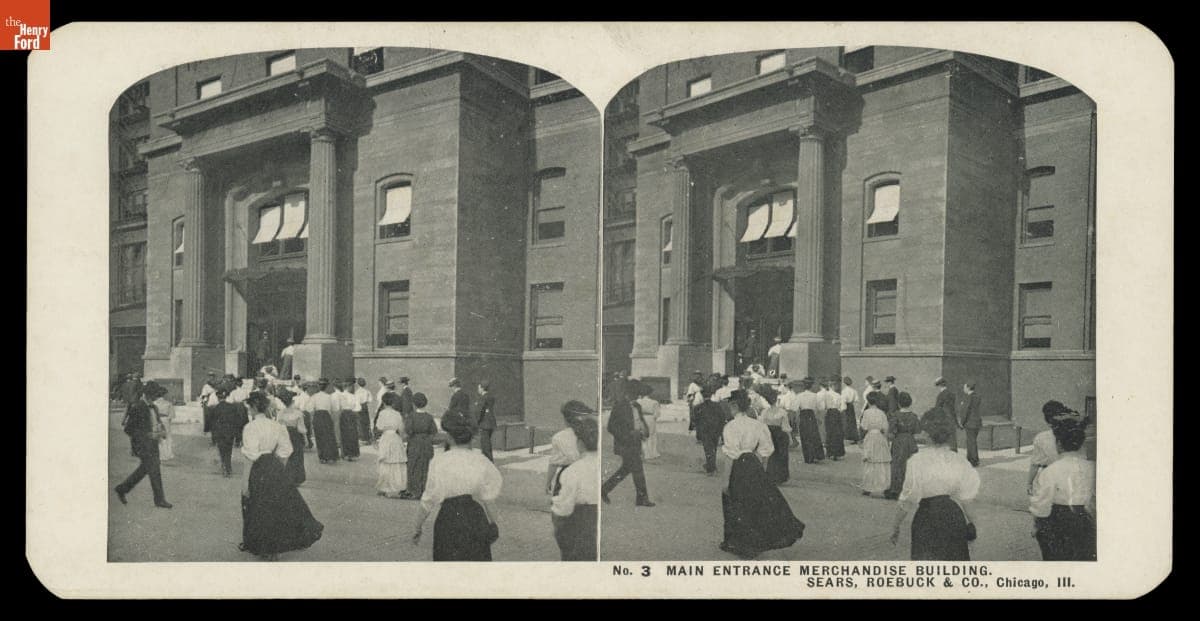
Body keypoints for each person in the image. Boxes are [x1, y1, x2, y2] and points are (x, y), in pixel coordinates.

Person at [717, 390, 805, 559]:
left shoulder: (730, 426)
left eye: (730, 405)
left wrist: (725, 480)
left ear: (734, 406)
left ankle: (737, 542)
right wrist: (762, 472)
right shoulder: (758, 425)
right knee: (754, 504)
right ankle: (755, 542)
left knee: (735, 503)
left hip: (738, 466)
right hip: (754, 464)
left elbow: (731, 455)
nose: (729, 409)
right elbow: (766, 451)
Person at [238, 391, 324, 561]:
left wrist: (244, 483)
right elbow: (285, 451)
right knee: (275, 506)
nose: (249, 410)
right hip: (275, 466)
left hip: (258, 468)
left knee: (257, 505)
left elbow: (250, 456)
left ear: (254, 407)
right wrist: (278, 470)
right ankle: (274, 547)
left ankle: (261, 546)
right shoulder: (277, 426)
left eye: (249, 407)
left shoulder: (250, 427)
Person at [411, 411, 503, 561]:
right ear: (471, 436)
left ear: (449, 437)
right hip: (475, 518)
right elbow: (489, 498)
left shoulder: (439, 461)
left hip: (448, 519)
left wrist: (417, 527)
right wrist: (494, 524)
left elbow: (428, 500)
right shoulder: (480, 460)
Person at [889, 410, 980, 560]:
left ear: (926, 434)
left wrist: (895, 526)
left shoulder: (916, 461)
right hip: (954, 516)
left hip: (927, 518)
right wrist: (972, 525)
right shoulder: (959, 460)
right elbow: (967, 499)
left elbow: (907, 499)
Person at [1029, 420, 1096, 561]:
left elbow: (1042, 503)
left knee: (1056, 558)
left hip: (1058, 519)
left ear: (1059, 445)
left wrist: (1037, 525)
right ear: (1081, 444)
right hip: (1085, 518)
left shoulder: (1051, 471)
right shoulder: (1092, 467)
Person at [115, 382, 172, 509]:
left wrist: (161, 430)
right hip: (143, 445)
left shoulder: (154, 408)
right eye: (154, 395)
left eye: (157, 395)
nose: (156, 397)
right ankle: (160, 500)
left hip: (153, 443)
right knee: (154, 470)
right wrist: (147, 435)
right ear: (147, 394)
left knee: (145, 469)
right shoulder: (138, 407)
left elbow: (156, 422)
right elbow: (129, 429)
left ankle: (122, 489)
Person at [552, 414, 600, 561]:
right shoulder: (600, 465)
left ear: (580, 443)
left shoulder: (573, 471)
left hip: (580, 523)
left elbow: (563, 510)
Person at [601, 377, 655, 507]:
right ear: (629, 393)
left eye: (638, 394)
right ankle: (642, 498)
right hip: (625, 443)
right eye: (635, 393)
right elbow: (611, 427)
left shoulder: (637, 406)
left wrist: (644, 431)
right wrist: (627, 435)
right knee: (638, 470)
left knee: (626, 469)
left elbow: (640, 421)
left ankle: (603, 489)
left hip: (635, 442)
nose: (637, 396)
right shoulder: (619, 406)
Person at [1027, 400, 1083, 494]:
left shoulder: (1042, 437)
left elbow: (1035, 464)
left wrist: (1029, 484)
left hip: (1053, 479)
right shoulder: (1077, 434)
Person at [884, 393, 922, 500]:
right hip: (910, 441)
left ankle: (896, 489)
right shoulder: (914, 416)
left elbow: (891, 430)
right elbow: (917, 430)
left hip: (899, 441)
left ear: (899, 403)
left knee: (897, 465)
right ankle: (910, 489)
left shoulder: (895, 415)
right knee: (910, 465)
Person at [547, 401, 590, 495]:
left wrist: (548, 483)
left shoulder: (559, 437)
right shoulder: (591, 433)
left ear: (565, 420)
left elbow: (553, 463)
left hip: (567, 475)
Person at [401, 392, 437, 500]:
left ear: (414, 404)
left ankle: (413, 490)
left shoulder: (411, 416)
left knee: (413, 466)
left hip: (415, 442)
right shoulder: (429, 417)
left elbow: (409, 430)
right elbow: (434, 431)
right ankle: (422, 490)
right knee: (424, 467)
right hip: (426, 443)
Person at [374, 392, 408, 498]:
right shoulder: (397, 414)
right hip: (395, 438)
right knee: (396, 461)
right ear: (393, 403)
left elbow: (379, 427)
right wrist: (402, 440)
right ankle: (398, 486)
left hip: (386, 438)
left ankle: (384, 487)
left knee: (385, 462)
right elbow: (401, 429)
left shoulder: (382, 413)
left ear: (383, 402)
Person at [757, 384, 792, 485]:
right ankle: (780, 477)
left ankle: (770, 475)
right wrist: (790, 438)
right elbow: (786, 427)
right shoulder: (782, 412)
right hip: (780, 435)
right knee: (781, 456)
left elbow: (761, 426)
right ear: (776, 399)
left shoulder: (764, 412)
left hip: (769, 434)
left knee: (771, 455)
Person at [858, 391, 892, 497]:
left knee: (870, 461)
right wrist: (886, 439)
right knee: (881, 460)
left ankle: (868, 487)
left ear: (868, 401)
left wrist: (861, 439)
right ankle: (884, 486)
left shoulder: (866, 412)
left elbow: (864, 427)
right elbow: (885, 428)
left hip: (870, 437)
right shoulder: (882, 413)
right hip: (880, 437)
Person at [694, 381, 727, 476]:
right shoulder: (717, 406)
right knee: (714, 448)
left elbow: (697, 422)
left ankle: (710, 468)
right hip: (715, 430)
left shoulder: (698, 408)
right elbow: (722, 418)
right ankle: (712, 465)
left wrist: (698, 434)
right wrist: (721, 431)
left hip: (705, 430)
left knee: (707, 448)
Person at [211, 387, 245, 477]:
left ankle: (224, 467)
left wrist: (213, 437)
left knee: (222, 450)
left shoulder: (215, 408)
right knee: (229, 451)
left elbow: (213, 424)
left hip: (220, 433)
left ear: (218, 397)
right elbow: (237, 421)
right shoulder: (232, 407)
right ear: (226, 397)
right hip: (230, 432)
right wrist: (237, 434)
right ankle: (228, 468)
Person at [304, 379, 340, 464]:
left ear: (318, 386)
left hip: (318, 416)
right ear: (326, 387)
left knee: (319, 436)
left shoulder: (314, 397)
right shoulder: (329, 397)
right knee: (329, 436)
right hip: (326, 416)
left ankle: (322, 457)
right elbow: (335, 408)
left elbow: (309, 409)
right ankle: (330, 456)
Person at [275, 390, 307, 486]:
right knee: (297, 456)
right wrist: (305, 439)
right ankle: (296, 478)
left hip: (284, 434)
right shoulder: (298, 413)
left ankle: (285, 477)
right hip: (295, 435)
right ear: (292, 402)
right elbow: (301, 428)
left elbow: (278, 426)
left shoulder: (280, 413)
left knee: (285, 455)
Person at [794, 379, 826, 464]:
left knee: (805, 436)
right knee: (813, 435)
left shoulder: (799, 395)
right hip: (811, 415)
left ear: (803, 386)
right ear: (811, 386)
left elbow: (795, 408)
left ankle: (807, 458)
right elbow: (820, 408)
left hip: (803, 415)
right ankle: (814, 455)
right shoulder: (815, 396)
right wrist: (818, 417)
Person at [822, 377, 846, 460]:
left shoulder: (825, 395)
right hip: (836, 413)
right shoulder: (838, 395)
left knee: (829, 432)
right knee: (837, 432)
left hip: (829, 413)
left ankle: (829, 452)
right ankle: (837, 453)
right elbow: (843, 407)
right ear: (833, 386)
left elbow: (823, 406)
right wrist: (838, 410)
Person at [635, 382, 661, 460]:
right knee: (652, 435)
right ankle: (653, 453)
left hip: (641, 418)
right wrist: (654, 418)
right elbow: (657, 414)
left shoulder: (638, 401)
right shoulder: (654, 402)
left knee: (642, 435)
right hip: (650, 418)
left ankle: (645, 453)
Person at [336, 379, 360, 461]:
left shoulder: (339, 396)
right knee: (352, 434)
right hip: (351, 414)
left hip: (343, 414)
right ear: (348, 387)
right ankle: (351, 454)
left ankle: (344, 453)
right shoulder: (353, 396)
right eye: (351, 387)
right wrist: (353, 411)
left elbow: (337, 407)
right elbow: (358, 407)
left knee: (344, 433)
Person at [960, 381, 983, 467]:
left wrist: (962, 422)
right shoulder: (977, 397)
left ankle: (973, 460)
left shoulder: (968, 398)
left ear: (968, 388)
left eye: (964, 387)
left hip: (970, 423)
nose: (964, 389)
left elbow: (965, 412)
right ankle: (970, 459)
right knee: (972, 441)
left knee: (971, 442)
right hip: (977, 422)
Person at [934, 377, 959, 452]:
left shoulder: (940, 395)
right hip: (951, 418)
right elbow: (953, 408)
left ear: (939, 386)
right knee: (952, 439)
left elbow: (937, 409)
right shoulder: (952, 394)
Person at [152, 385, 176, 462]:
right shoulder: (168, 403)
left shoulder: (154, 403)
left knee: (158, 437)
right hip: (165, 420)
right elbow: (171, 415)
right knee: (167, 436)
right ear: (164, 394)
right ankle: (168, 454)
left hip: (156, 420)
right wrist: (167, 421)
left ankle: (159, 454)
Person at [474, 382, 497, 462]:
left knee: (485, 446)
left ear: (482, 388)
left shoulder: (483, 398)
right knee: (487, 443)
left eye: (479, 388)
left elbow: (479, 411)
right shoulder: (491, 397)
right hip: (491, 423)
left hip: (485, 424)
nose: (478, 389)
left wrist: (475, 422)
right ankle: (488, 461)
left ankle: (489, 463)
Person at [778, 379, 801, 448]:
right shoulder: (794, 394)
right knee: (791, 427)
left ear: (786, 387)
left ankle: (791, 442)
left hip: (788, 412)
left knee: (787, 427)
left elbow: (784, 405)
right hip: (794, 412)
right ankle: (794, 441)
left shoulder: (787, 395)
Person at [841, 376, 860, 444]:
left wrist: (842, 408)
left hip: (846, 406)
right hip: (851, 406)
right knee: (852, 421)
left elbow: (843, 400)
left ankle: (847, 436)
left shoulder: (844, 391)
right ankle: (854, 437)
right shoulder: (854, 390)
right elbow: (857, 400)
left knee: (846, 421)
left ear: (844, 383)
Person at [354, 377, 373, 446]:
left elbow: (356, 401)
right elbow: (370, 400)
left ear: (358, 384)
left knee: (360, 423)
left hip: (359, 407)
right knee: (366, 422)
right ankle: (367, 438)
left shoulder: (357, 392)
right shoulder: (367, 391)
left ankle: (362, 438)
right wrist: (366, 402)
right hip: (365, 407)